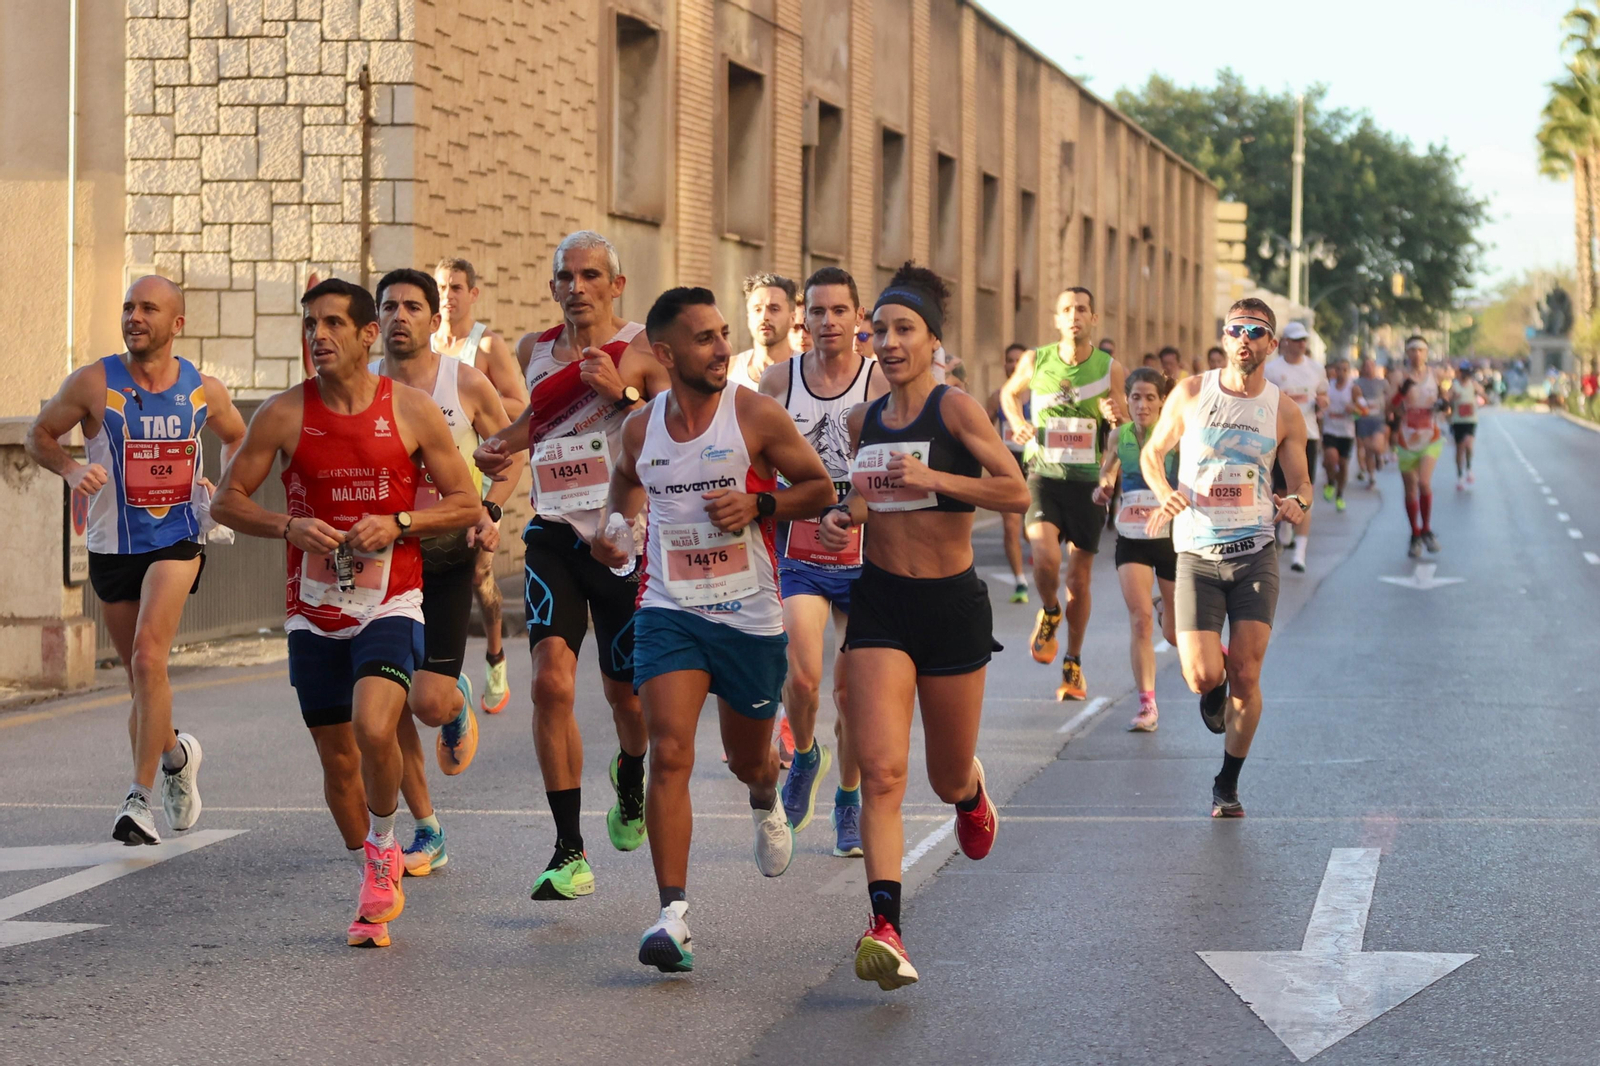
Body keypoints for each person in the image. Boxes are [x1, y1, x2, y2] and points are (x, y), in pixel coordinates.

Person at [212, 277, 481, 948]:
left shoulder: (413, 410)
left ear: (367, 336)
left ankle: (389, 843)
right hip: (313, 608)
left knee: (373, 722)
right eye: (311, 324)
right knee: (338, 767)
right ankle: (374, 864)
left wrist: (398, 521)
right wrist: (286, 527)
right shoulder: (282, 413)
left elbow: (465, 502)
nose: (318, 335)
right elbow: (225, 500)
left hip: (391, 600)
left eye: (333, 323)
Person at [590, 286, 836, 974]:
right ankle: (673, 916)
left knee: (747, 762)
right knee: (670, 753)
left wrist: (761, 501)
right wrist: (616, 532)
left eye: (725, 333)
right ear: (666, 354)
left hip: (749, 616)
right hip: (670, 610)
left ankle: (767, 798)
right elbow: (623, 485)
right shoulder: (642, 429)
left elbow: (819, 487)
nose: (723, 347)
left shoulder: (754, 415)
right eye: (704, 337)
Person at [816, 262, 1029, 989]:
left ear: (934, 340)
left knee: (941, 775)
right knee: (881, 771)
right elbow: (867, 502)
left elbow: (1015, 490)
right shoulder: (859, 421)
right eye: (882, 330)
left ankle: (970, 793)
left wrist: (935, 479)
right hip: (880, 602)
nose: (891, 341)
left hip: (950, 608)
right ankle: (885, 926)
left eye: (905, 329)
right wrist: (847, 514)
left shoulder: (957, 410)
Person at [27, 276, 246, 845]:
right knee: (139, 678)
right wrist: (73, 470)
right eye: (128, 306)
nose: (134, 316)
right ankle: (176, 756)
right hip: (112, 545)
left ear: (177, 324)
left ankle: (138, 799)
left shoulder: (203, 390)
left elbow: (240, 438)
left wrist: (218, 490)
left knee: (150, 658)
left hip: (177, 538)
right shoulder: (94, 382)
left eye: (148, 307)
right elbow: (39, 435)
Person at [487, 230, 671, 900]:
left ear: (616, 285)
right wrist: (498, 449)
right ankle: (568, 848)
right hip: (554, 536)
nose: (577, 288)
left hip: (623, 538)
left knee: (626, 695)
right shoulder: (534, 350)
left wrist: (622, 396)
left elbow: (677, 426)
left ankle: (632, 770)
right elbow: (537, 420)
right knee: (550, 685)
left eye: (591, 275)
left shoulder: (646, 348)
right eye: (565, 277)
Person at [371, 268, 524, 876]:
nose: (399, 316)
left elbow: (511, 455)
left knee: (427, 702)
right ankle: (426, 827)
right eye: (389, 307)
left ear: (437, 321)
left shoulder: (465, 382)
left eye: (413, 306)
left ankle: (456, 698)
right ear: (373, 323)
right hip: (382, 564)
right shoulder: (360, 390)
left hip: (445, 556)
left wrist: (487, 510)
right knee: (387, 700)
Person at [1139, 297, 1311, 819]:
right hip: (1196, 552)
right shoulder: (1193, 392)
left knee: (1247, 672)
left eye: (1256, 332)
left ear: (1271, 345)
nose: (1245, 339)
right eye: (1236, 329)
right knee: (1201, 675)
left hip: (1255, 552)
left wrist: (1297, 503)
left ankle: (1227, 783)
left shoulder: (1284, 410)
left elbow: (1301, 480)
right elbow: (1152, 452)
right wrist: (1163, 489)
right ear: (1225, 335)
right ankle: (1210, 693)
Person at [759, 267, 887, 856]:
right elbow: (753, 460)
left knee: (854, 695)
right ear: (802, 319)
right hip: (799, 548)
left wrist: (854, 511)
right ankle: (806, 753)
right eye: (817, 311)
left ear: (859, 318)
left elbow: (889, 466)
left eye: (840, 311)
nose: (828, 321)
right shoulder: (778, 380)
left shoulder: (877, 381)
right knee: (803, 677)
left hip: (866, 552)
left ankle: (848, 800)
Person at [1000, 288, 1128, 701]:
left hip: (1088, 481)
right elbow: (1008, 392)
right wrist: (1017, 419)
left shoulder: (1110, 368)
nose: (1075, 316)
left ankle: (1073, 662)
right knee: (1046, 556)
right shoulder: (1036, 360)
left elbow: (1124, 428)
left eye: (1082, 310)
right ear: (1057, 319)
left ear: (1093, 319)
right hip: (1043, 474)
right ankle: (1050, 610)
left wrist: (1115, 418)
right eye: (1067, 310)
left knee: (1080, 580)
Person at [431, 257, 530, 716]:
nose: (448, 295)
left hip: (483, 477)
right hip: (430, 486)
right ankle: (440, 675)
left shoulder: (485, 344)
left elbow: (518, 402)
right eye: (441, 287)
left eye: (456, 287)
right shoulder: (426, 343)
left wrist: (472, 392)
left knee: (479, 573)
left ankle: (495, 655)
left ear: (473, 293)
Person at [1092, 368, 1178, 731]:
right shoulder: (1118, 435)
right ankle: (1147, 707)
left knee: (1175, 634)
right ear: (1126, 401)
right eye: (1136, 398)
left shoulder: (1176, 437)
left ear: (1162, 401)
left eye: (1150, 398)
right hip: (1132, 537)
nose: (1142, 405)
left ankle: (1168, 608)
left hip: (1172, 540)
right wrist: (1103, 488)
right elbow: (1106, 473)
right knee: (1140, 621)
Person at [1262, 321, 1326, 574]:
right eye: (1296, 339)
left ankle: (1300, 552)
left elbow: (1324, 395)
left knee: (1302, 490)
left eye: (1304, 340)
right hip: (1278, 436)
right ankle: (1285, 527)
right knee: (1280, 488)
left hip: (1307, 434)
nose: (1301, 344)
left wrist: (1323, 401)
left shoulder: (1316, 369)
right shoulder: (1272, 370)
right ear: (1284, 342)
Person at [1390, 336, 1446, 557]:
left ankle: (1427, 529)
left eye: (1421, 350)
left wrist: (1444, 404)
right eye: (1412, 350)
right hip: (1407, 438)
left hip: (1430, 436)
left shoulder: (1436, 375)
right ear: (1407, 352)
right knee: (1410, 489)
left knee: (1424, 482)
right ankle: (1414, 533)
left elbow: (1445, 403)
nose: (1417, 354)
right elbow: (1391, 408)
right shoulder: (1398, 376)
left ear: (1427, 352)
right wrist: (1401, 392)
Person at [985, 342, 1032, 603]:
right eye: (1009, 360)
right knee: (1010, 526)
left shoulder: (1039, 396)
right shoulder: (997, 396)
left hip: (1035, 464)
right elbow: (981, 430)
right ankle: (1020, 581)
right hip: (1008, 464)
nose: (1013, 365)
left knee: (1030, 528)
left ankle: (1037, 543)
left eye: (1018, 360)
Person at [729, 273, 798, 390]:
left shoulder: (811, 372)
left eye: (774, 309)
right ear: (748, 318)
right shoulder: (730, 370)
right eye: (757, 309)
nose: (764, 317)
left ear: (792, 319)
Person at [1320, 358, 1367, 512]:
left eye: (1345, 369)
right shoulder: (1328, 386)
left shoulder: (1353, 389)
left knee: (1343, 464)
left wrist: (1354, 410)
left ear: (1349, 371)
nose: (1341, 372)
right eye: (1338, 369)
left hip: (1346, 432)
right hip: (1330, 430)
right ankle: (1331, 482)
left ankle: (1339, 494)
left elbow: (1364, 411)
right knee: (1330, 458)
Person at [1449, 361, 1485, 489]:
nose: (1466, 375)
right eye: (1465, 372)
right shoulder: (1454, 386)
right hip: (1458, 421)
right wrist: (1453, 399)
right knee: (1460, 448)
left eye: (1468, 372)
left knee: (1469, 445)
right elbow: (1448, 400)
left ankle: (1469, 468)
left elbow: (1484, 395)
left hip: (1470, 420)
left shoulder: (1473, 384)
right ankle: (1460, 476)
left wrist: (1481, 396)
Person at [1353, 357, 1388, 486]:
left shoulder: (1382, 382)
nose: (1368, 368)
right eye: (1366, 365)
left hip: (1378, 419)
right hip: (1363, 420)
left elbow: (1388, 396)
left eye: (1371, 365)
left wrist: (1389, 411)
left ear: (1375, 367)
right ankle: (1371, 476)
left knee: (1376, 446)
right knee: (1367, 450)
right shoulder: (1357, 382)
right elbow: (1354, 398)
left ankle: (1379, 455)